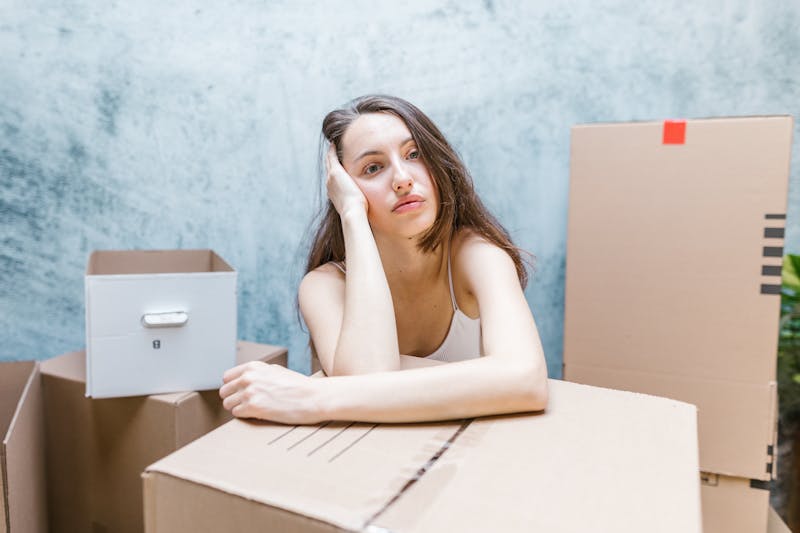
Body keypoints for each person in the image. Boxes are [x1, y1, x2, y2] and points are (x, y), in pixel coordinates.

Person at [219, 95, 548, 425]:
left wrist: (311, 397)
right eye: (372, 168)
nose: (402, 179)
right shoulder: (324, 285)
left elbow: (526, 379)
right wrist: (352, 215)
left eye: (414, 154)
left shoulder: (476, 255)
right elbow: (364, 379)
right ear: (344, 187)